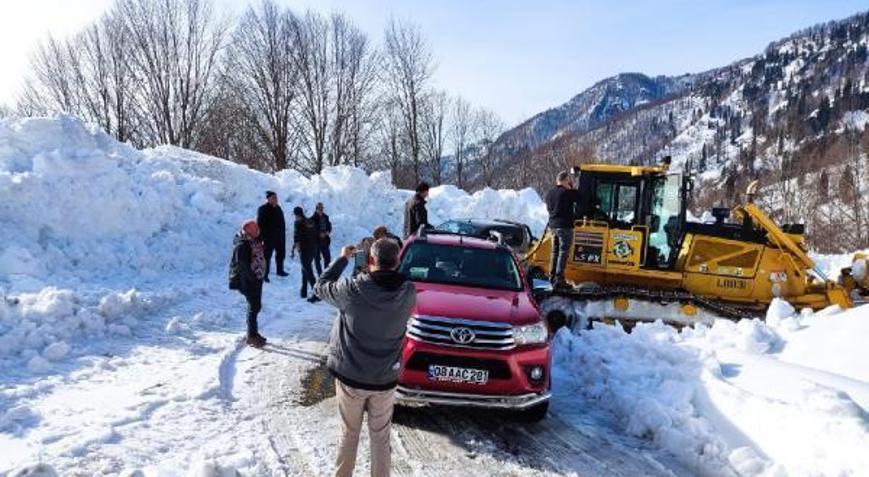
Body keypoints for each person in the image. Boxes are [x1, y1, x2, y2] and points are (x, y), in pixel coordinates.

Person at [314, 239, 417, 477]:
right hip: (385, 378)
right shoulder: (408, 292)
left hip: (351, 377)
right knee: (381, 436)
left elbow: (320, 286)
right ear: (398, 261)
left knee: (349, 433)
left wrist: (343, 259)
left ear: (370, 260)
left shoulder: (352, 289)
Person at [228, 219, 268, 348]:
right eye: (255, 228)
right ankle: (251, 335)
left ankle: (253, 333)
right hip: (247, 280)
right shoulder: (242, 245)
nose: (258, 230)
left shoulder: (252, 240)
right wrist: (253, 278)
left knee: (255, 306)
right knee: (254, 306)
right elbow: (243, 266)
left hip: (256, 278)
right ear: (248, 230)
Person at [545, 170, 578, 287]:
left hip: (553, 226)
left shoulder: (549, 193)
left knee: (554, 252)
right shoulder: (567, 193)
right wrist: (571, 188)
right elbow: (579, 197)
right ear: (565, 180)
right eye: (568, 180)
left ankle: (552, 276)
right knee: (563, 252)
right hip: (565, 227)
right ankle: (559, 278)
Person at [257, 191, 287, 282]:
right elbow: (260, 224)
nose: (276, 199)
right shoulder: (263, 209)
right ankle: (264, 274)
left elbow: (282, 222)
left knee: (281, 254)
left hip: (280, 236)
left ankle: (280, 270)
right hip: (269, 237)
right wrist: (261, 237)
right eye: (274, 197)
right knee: (267, 256)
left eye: (276, 197)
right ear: (268, 199)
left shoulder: (278, 208)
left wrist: (283, 233)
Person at [292, 206, 319, 302]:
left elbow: (296, 236)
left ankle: (317, 293)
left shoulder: (298, 223)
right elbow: (315, 234)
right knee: (305, 269)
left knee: (308, 270)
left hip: (305, 250)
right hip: (313, 249)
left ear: (297, 215)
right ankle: (303, 291)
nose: (295, 217)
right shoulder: (310, 221)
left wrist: (297, 245)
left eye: (295, 215)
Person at [311, 202, 333, 276]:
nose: (321, 210)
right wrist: (319, 234)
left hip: (325, 241)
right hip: (316, 242)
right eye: (319, 208)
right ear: (316, 209)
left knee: (327, 258)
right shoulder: (312, 219)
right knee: (317, 259)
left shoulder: (326, 217)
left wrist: (328, 231)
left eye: (322, 208)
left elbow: (329, 226)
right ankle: (320, 275)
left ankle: (326, 274)